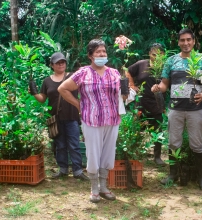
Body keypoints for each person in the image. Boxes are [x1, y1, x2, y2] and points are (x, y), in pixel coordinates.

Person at [58, 39, 121, 203]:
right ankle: (94, 188)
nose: (102, 54)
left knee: (108, 154)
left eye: (104, 51)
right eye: (98, 52)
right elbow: (62, 88)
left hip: (112, 119)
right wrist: (79, 105)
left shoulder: (114, 73)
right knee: (93, 154)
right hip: (91, 119)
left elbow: (121, 94)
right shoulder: (83, 73)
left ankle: (104, 187)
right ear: (90, 55)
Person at [151, 28, 202, 189]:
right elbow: (165, 83)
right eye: (182, 40)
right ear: (178, 42)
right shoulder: (171, 61)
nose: (185, 43)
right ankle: (173, 174)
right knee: (173, 142)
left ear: (193, 41)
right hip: (176, 108)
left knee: (197, 144)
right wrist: (158, 87)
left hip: (196, 109)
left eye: (188, 40)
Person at [31, 52, 88, 181]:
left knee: (74, 144)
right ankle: (63, 170)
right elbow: (42, 99)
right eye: (57, 62)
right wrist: (34, 92)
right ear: (52, 65)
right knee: (60, 145)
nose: (61, 64)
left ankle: (77, 170)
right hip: (55, 118)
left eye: (63, 62)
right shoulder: (47, 81)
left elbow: (84, 91)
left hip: (72, 116)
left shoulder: (73, 77)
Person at [127, 43, 166, 165]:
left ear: (163, 55)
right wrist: (132, 85)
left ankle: (157, 157)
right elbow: (128, 71)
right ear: (149, 54)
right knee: (136, 129)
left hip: (157, 103)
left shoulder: (165, 67)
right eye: (154, 54)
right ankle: (135, 154)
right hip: (141, 103)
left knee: (158, 131)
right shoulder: (141, 64)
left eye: (159, 55)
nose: (156, 57)